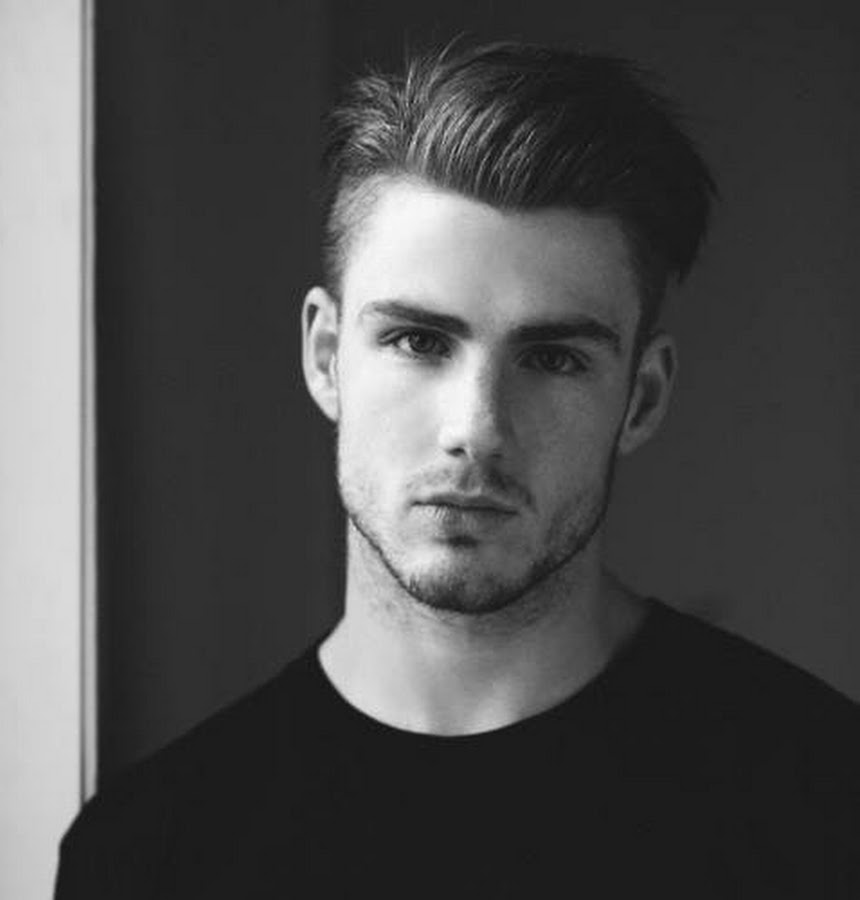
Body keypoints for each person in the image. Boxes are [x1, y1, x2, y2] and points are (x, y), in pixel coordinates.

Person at [55, 41, 860, 898]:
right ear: (326, 356)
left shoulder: (822, 800)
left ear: (642, 397)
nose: (475, 429)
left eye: (553, 359)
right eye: (417, 341)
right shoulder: (149, 854)